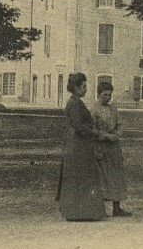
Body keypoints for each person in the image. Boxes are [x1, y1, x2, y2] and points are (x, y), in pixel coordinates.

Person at [56, 73, 107, 221]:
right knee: (80, 176)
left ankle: (84, 211)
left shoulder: (77, 102)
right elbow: (78, 127)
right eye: (83, 86)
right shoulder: (74, 103)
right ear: (76, 88)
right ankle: (78, 212)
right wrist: (94, 132)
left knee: (83, 176)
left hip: (81, 144)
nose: (86, 89)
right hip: (77, 145)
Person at [90, 81, 132, 217]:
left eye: (109, 95)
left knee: (116, 176)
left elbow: (120, 124)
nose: (107, 97)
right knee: (102, 177)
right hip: (101, 146)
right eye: (104, 94)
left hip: (114, 147)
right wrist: (103, 135)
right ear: (99, 94)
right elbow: (92, 128)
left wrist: (117, 134)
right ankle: (100, 209)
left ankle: (117, 208)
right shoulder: (94, 109)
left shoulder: (113, 108)